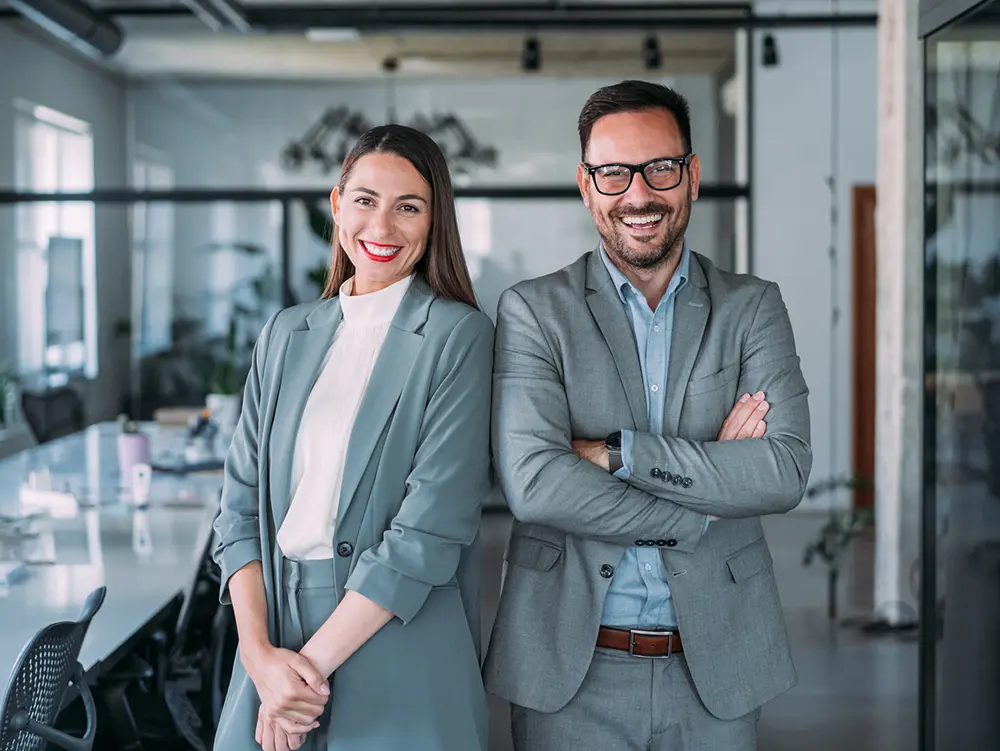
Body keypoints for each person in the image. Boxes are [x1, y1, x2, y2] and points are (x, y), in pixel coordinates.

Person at [483, 80, 812, 751]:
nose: (638, 194)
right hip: (572, 670)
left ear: (691, 176)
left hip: (717, 662)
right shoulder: (534, 311)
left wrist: (616, 452)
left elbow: (781, 469)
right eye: (613, 173)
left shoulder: (752, 307)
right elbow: (536, 484)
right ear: (586, 184)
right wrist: (702, 504)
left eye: (660, 168)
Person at [211, 124, 493, 751]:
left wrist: (299, 681)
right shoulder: (286, 334)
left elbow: (427, 533)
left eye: (409, 206)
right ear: (338, 206)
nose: (383, 226)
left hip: (396, 636)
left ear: (435, 220)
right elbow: (236, 510)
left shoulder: (458, 337)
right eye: (365, 200)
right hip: (274, 636)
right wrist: (260, 658)